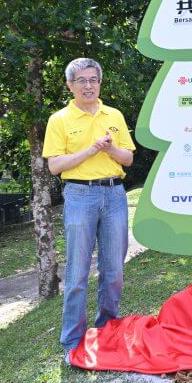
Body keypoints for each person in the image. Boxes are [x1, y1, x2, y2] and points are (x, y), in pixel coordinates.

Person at [42, 57, 135, 364]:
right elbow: (55, 165)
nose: (88, 86)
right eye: (81, 80)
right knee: (78, 271)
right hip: (80, 195)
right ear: (70, 85)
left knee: (114, 269)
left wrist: (110, 149)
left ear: (100, 83)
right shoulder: (59, 120)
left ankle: (107, 328)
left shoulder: (114, 115)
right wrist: (92, 149)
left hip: (114, 194)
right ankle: (73, 340)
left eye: (93, 80)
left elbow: (128, 159)